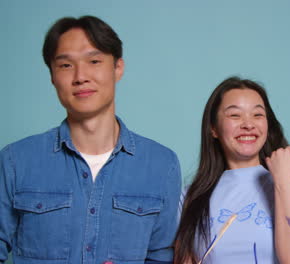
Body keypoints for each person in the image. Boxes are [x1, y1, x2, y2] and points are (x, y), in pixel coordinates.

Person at [0, 16, 181, 264]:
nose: (80, 76)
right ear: (52, 75)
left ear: (118, 68)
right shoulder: (15, 160)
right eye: (65, 65)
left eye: (94, 61)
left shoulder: (162, 165)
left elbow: (161, 257)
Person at [174, 77, 290, 264]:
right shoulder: (191, 197)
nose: (248, 124)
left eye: (257, 115)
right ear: (213, 128)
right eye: (235, 115)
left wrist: (283, 182)